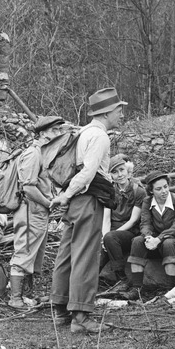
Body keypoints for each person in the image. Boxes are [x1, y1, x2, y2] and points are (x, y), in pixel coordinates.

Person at [50, 87, 127, 334]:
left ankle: (60, 309)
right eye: (118, 110)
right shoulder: (100, 137)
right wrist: (67, 195)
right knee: (85, 256)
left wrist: (67, 195)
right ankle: (80, 316)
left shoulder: (82, 132)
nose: (121, 115)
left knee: (66, 253)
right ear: (106, 113)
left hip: (75, 202)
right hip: (87, 200)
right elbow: (88, 172)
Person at [7, 115, 67, 309]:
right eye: (54, 130)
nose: (58, 134)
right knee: (24, 251)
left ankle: (28, 295)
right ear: (42, 134)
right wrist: (49, 203)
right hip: (29, 211)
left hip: (38, 212)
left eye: (59, 130)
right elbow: (28, 188)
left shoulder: (44, 153)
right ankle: (15, 298)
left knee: (34, 254)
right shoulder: (33, 154)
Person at [117, 171, 175, 301]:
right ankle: (136, 289)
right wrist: (148, 237)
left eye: (165, 187)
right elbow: (145, 223)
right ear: (151, 191)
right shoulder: (147, 201)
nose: (164, 191)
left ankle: (171, 289)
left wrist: (159, 239)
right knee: (137, 241)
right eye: (159, 189)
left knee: (168, 243)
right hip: (155, 243)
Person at [99, 154, 146, 292]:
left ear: (128, 171)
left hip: (129, 232)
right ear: (110, 175)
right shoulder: (109, 191)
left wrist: (110, 236)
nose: (119, 175)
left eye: (121, 170)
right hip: (112, 231)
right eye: (114, 172)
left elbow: (133, 220)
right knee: (97, 254)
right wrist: (104, 236)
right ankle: (88, 285)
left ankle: (122, 279)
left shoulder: (138, 191)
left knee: (110, 238)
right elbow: (106, 217)